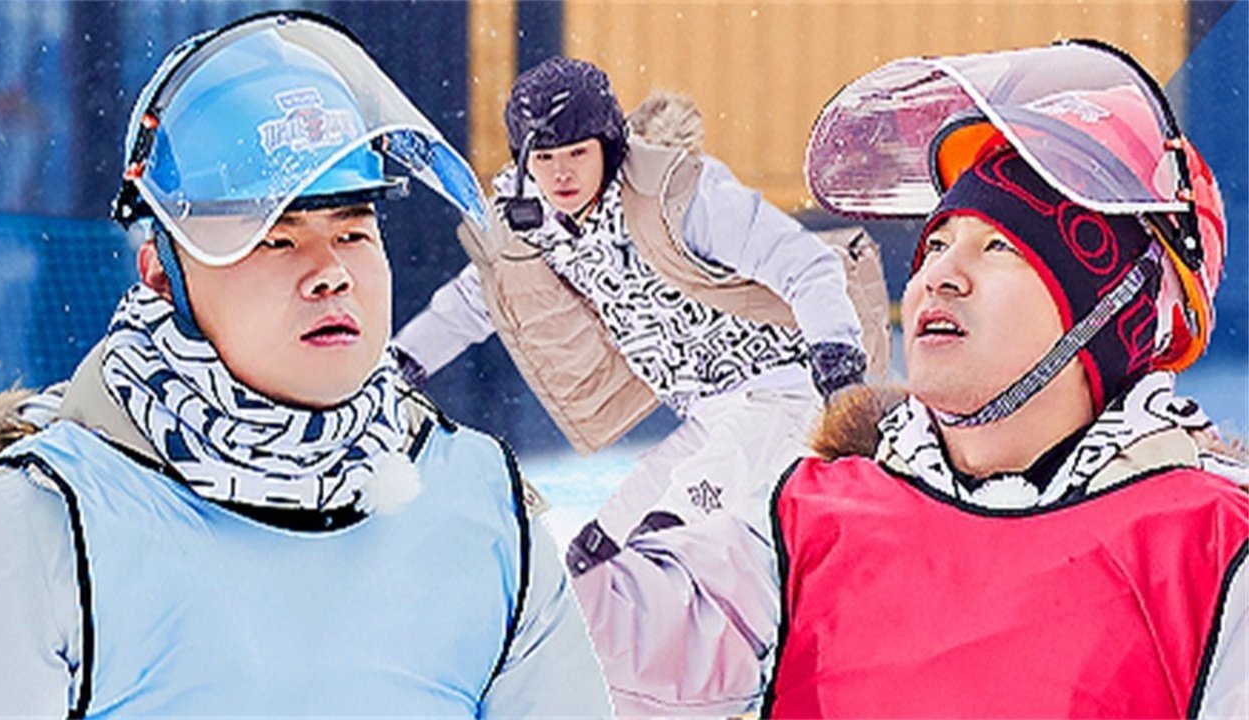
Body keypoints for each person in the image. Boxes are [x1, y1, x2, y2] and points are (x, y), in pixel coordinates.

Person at [0, 12, 610, 717]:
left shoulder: (483, 506)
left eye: (353, 232)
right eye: (276, 240)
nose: (330, 272)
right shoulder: (40, 526)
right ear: (160, 275)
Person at [392, 55, 889, 715]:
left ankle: (733, 685)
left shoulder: (682, 196)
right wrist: (400, 365)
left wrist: (837, 360)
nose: (561, 175)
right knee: (596, 556)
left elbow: (804, 264)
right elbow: (476, 303)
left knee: (672, 537)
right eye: (544, 159)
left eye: (577, 153)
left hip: (781, 387)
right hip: (711, 409)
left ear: (609, 145)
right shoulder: (533, 224)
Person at [767, 41, 1247, 717]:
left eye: (1000, 244)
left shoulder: (1215, 550)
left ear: (1114, 307)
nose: (938, 275)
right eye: (936, 242)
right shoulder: (795, 515)